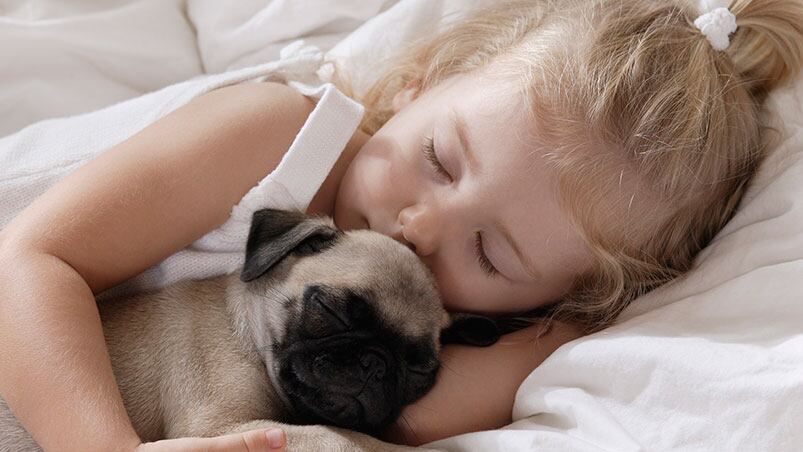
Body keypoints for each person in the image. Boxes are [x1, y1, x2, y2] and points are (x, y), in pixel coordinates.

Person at [1, 0, 801, 451]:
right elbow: (32, 261)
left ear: (552, 300)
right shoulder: (275, 132)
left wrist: (551, 336)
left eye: (489, 252)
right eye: (440, 160)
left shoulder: (441, 330)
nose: (421, 226)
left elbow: (406, 422)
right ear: (419, 84)